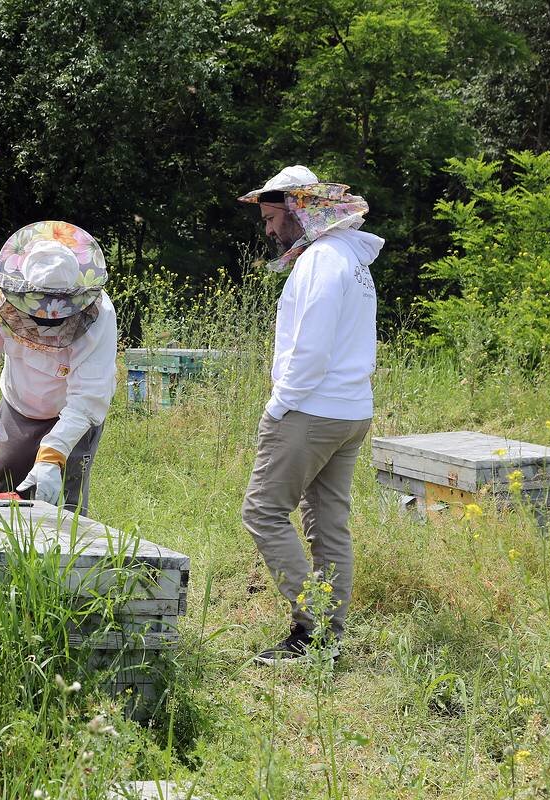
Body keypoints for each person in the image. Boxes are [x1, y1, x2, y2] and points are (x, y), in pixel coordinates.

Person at [237, 165, 383, 665]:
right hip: (349, 410)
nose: (270, 229)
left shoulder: (322, 260)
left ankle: (313, 627)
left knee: (263, 512)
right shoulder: (350, 258)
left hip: (310, 410)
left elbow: (313, 348)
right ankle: (328, 637)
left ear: (300, 207)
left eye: (273, 217)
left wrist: (279, 404)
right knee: (328, 521)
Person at [0, 221, 117, 513]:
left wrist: (53, 455)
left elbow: (87, 396)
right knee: (6, 486)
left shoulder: (100, 313)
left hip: (72, 413)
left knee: (65, 502)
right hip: (18, 403)